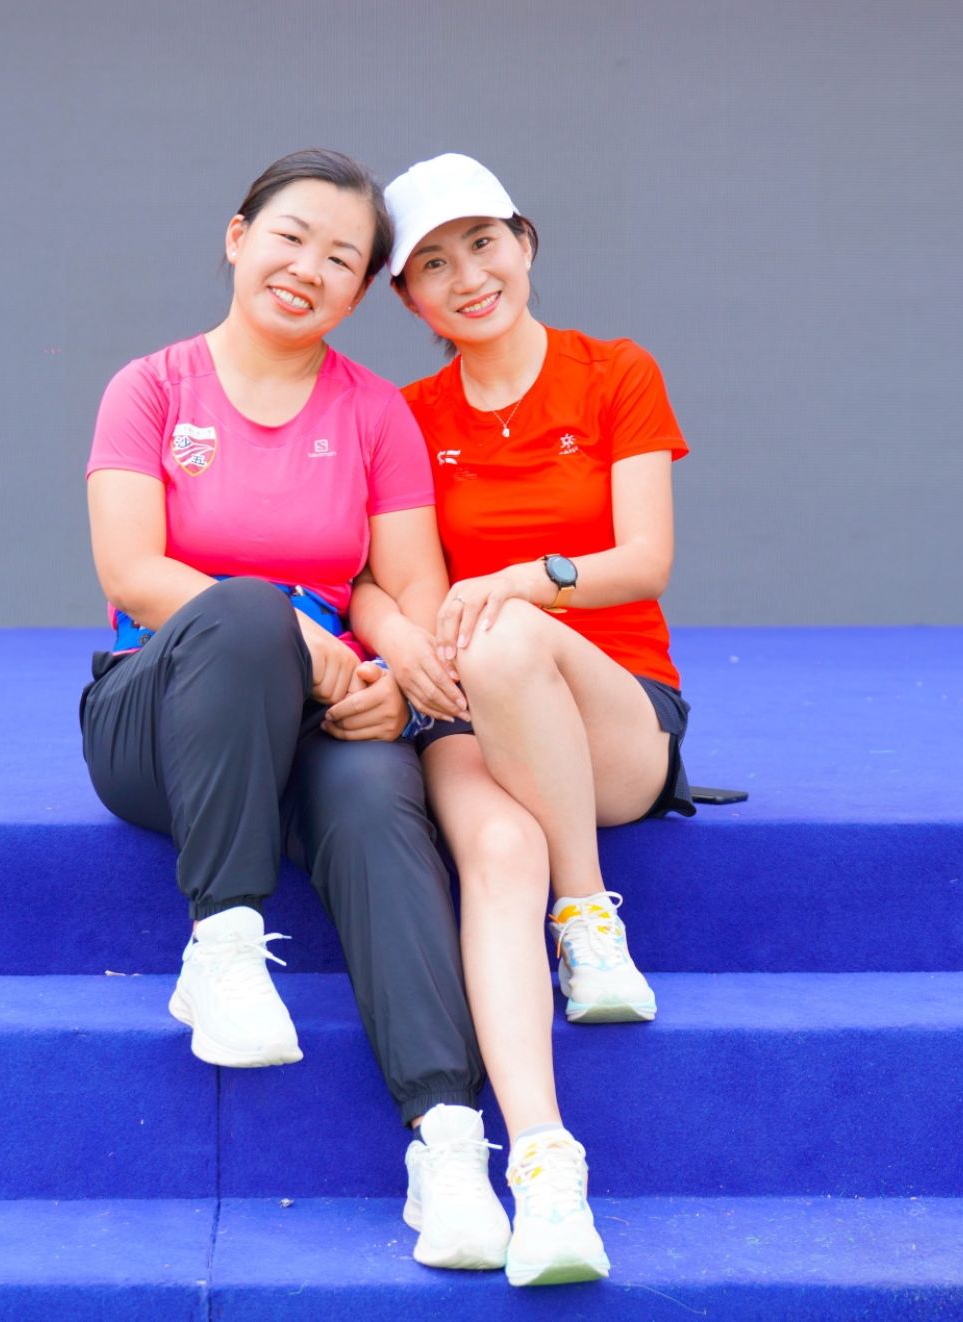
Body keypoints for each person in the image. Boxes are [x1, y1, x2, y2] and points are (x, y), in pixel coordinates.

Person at [80, 149, 513, 1272]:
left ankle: (449, 1143)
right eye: (289, 237)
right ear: (237, 237)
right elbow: (133, 571)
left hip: (324, 718)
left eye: (341, 258)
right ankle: (223, 946)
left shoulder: (373, 413)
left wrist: (390, 681)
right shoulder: (152, 388)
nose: (307, 268)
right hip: (158, 716)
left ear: (359, 291)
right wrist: (290, 626)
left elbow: (411, 586)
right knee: (238, 609)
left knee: (376, 803)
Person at [354, 152, 695, 1287]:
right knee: (496, 851)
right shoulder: (406, 417)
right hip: (465, 714)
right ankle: (547, 1169)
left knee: (501, 630)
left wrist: (519, 581)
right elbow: (372, 574)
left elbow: (644, 558)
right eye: (432, 265)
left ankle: (586, 910)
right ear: (406, 298)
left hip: (612, 717)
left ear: (525, 242)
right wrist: (397, 637)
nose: (467, 277)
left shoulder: (615, 372)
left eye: (483, 244)